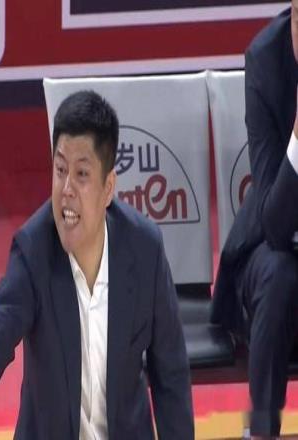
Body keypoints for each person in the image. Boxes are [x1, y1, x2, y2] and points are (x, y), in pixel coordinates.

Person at [0, 90, 194, 439]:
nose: (66, 189)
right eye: (60, 170)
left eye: (81, 174)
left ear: (108, 187)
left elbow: (171, 374)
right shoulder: (34, 249)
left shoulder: (145, 250)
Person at [211, 3, 298, 439]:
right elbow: (276, 224)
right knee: (280, 275)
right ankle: (262, 430)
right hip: (269, 247)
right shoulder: (266, 61)